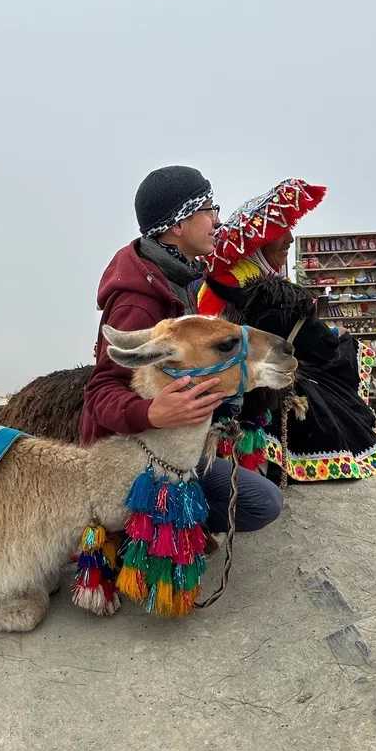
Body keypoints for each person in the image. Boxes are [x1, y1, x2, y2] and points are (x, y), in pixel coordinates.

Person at [80, 165, 283, 534]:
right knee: (259, 503)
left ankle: (177, 522)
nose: (217, 222)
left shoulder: (182, 278)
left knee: (261, 495)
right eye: (209, 210)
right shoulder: (138, 303)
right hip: (137, 451)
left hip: (173, 440)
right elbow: (100, 392)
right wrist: (153, 412)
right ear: (178, 224)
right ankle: (149, 530)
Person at [195, 179, 376, 482]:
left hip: (245, 379)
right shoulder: (269, 295)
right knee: (344, 354)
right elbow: (319, 344)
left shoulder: (230, 283)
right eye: (280, 240)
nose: (288, 240)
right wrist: (333, 336)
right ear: (259, 247)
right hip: (265, 384)